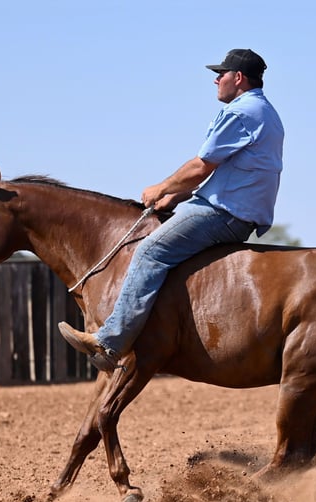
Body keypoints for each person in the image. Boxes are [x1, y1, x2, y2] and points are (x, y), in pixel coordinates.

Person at [58, 48, 284, 371]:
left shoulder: (241, 112)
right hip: (237, 210)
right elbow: (228, 170)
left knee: (149, 251)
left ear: (239, 78)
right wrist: (177, 198)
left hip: (223, 214)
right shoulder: (267, 113)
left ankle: (109, 342)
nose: (216, 80)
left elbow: (201, 165)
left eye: (221, 74)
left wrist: (161, 188)